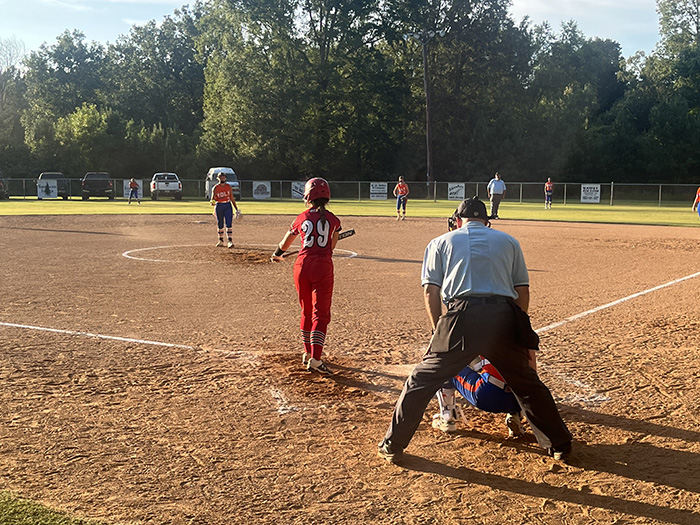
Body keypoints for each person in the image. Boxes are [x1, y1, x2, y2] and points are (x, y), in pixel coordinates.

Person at [378, 196, 572, 464]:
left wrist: (438, 330)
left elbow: (430, 291)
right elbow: (522, 291)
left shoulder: (440, 242)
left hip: (461, 316)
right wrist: (517, 327)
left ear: (458, 221)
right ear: (486, 221)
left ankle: (393, 444)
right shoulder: (508, 241)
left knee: (422, 380)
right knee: (526, 383)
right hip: (503, 315)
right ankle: (559, 445)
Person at [270, 178, 341, 375]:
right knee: (322, 314)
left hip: (301, 265)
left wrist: (277, 254)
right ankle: (316, 359)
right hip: (323, 266)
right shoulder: (334, 220)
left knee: (306, 311)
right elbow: (332, 246)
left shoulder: (300, 218)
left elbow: (286, 242)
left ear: (308, 197)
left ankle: (307, 352)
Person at [431, 355, 530, 438]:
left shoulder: (478, 331)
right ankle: (515, 414)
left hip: (488, 396)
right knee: (514, 368)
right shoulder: (521, 332)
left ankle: (447, 418)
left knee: (445, 363)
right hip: (522, 398)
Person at [210, 172, 241, 248]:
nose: (222, 178)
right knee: (220, 223)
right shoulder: (216, 187)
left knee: (229, 223)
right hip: (219, 205)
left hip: (227, 205)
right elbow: (212, 199)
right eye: (220, 177)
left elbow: (232, 198)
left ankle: (230, 241)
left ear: (225, 178)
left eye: (223, 177)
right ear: (218, 178)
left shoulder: (228, 187)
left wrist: (236, 208)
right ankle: (220, 240)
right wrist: (212, 203)